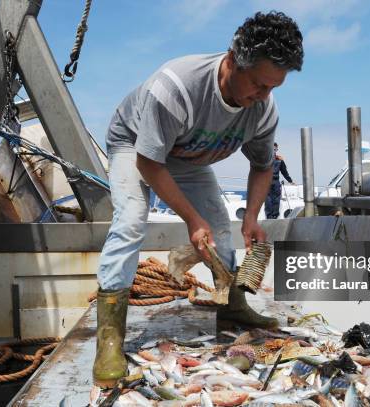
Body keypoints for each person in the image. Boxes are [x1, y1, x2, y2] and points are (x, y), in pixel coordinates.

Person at [93, 11, 304, 388]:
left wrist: (252, 216)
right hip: (136, 146)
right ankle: (110, 338)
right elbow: (149, 162)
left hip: (188, 157)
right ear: (232, 60)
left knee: (221, 225)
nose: (262, 96)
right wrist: (192, 219)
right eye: (257, 83)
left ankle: (232, 307)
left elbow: (262, 166)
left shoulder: (262, 110)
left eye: (272, 88)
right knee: (131, 220)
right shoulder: (176, 87)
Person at [264, 142, 294, 219]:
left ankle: (272, 216)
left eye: (275, 149)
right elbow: (285, 172)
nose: (274, 150)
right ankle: (272, 216)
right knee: (271, 199)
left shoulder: (277, 160)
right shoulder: (276, 159)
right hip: (270, 181)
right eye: (273, 149)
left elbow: (284, 172)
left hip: (271, 182)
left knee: (273, 199)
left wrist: (290, 181)